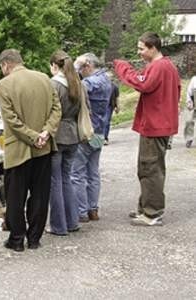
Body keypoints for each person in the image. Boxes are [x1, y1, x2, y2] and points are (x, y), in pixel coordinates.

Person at [0, 49, 61, 251]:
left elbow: (11, 121)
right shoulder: (44, 78)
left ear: (5, 65)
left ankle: (17, 240)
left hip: (19, 149)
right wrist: (46, 133)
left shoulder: (4, 84)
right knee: (40, 194)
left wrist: (33, 137)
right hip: (44, 147)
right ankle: (34, 238)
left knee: (15, 196)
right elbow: (56, 109)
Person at [114, 32, 180, 226]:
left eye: (141, 48)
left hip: (155, 125)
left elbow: (142, 84)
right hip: (161, 124)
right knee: (150, 168)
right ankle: (145, 208)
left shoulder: (159, 66)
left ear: (153, 47)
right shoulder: (168, 66)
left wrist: (123, 68)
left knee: (150, 169)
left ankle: (152, 213)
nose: (139, 52)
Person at [48, 50, 86, 236]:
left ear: (55, 66)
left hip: (58, 135)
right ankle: (72, 221)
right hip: (73, 134)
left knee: (55, 181)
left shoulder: (54, 84)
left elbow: (49, 112)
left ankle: (58, 225)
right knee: (66, 178)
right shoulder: (77, 84)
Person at [72, 53, 112, 222]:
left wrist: (74, 67)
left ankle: (81, 212)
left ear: (87, 66)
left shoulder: (89, 83)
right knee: (93, 173)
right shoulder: (106, 80)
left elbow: (73, 88)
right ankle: (93, 209)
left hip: (86, 132)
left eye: (81, 68)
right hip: (100, 131)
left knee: (77, 174)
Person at [104, 72, 120, 145]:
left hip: (109, 106)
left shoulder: (115, 87)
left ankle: (105, 138)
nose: (109, 78)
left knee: (106, 122)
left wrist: (118, 107)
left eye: (110, 77)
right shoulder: (101, 85)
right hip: (101, 106)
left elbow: (117, 97)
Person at [183, 75, 196, 148]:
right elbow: (189, 92)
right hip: (194, 104)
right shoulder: (194, 79)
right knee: (189, 121)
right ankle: (189, 138)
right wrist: (189, 102)